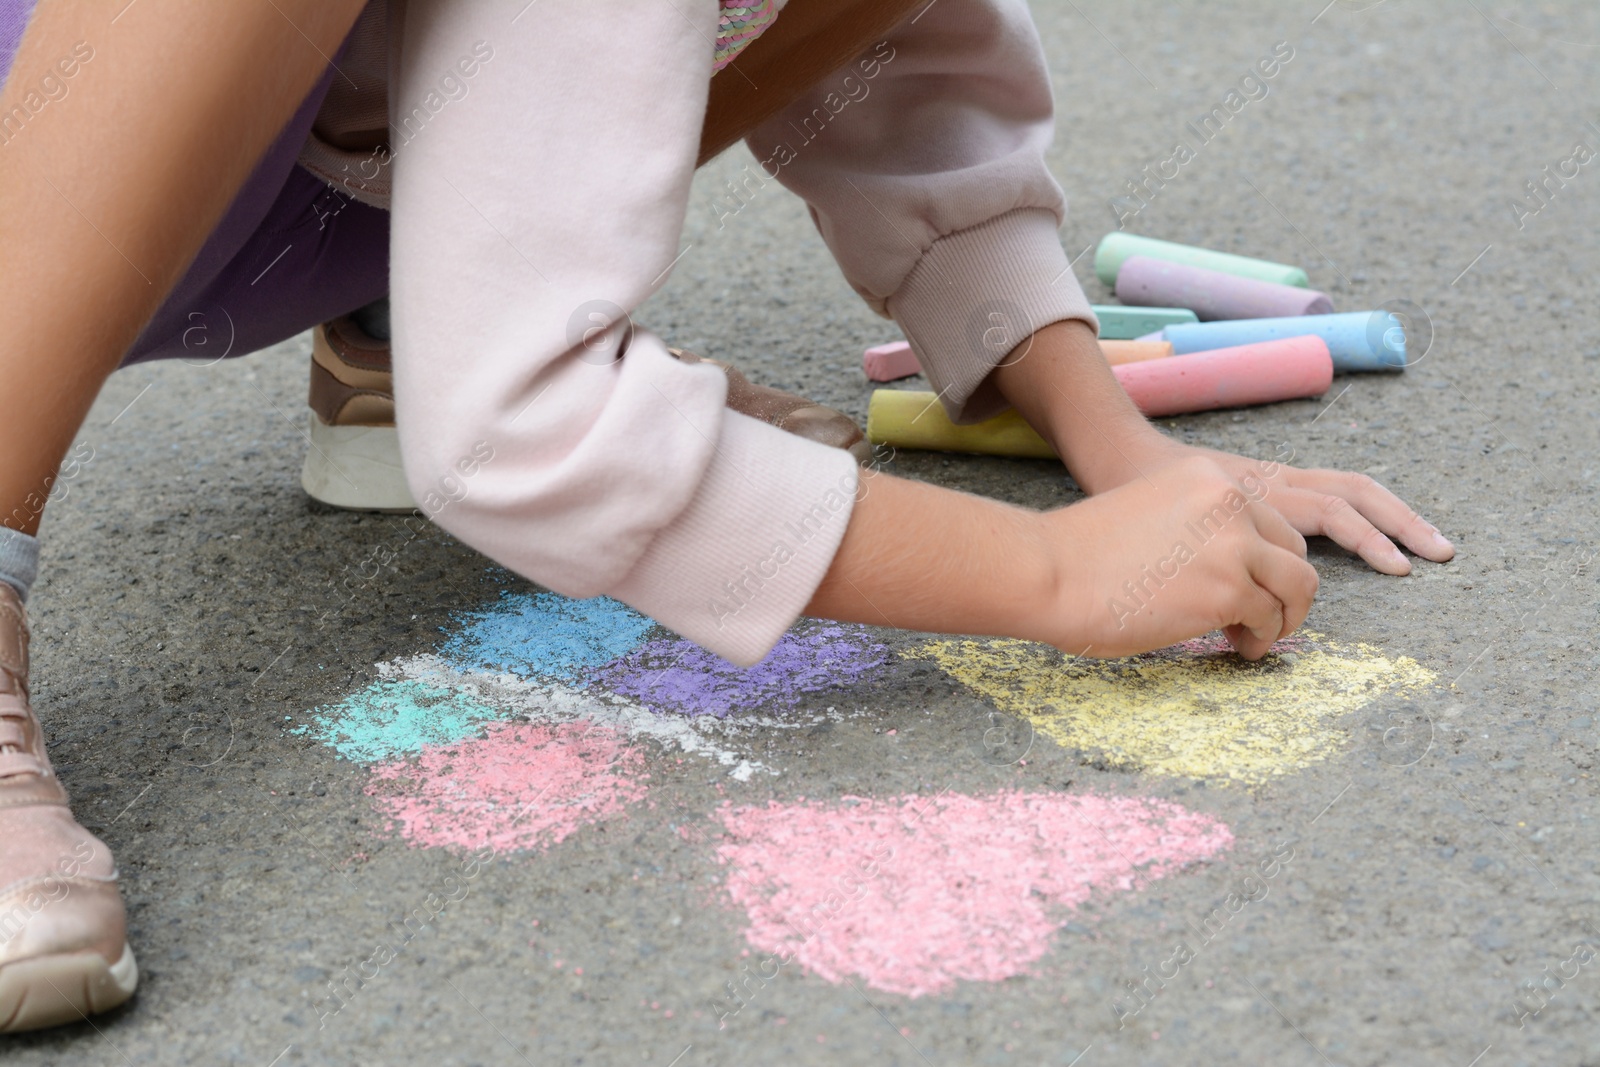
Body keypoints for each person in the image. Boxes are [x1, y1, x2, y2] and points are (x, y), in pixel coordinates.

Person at [0, 0, 1453, 1032]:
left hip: (267, 211)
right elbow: (519, 443)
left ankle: (411, 311)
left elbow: (899, 46)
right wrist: (1050, 568)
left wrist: (1101, 429)